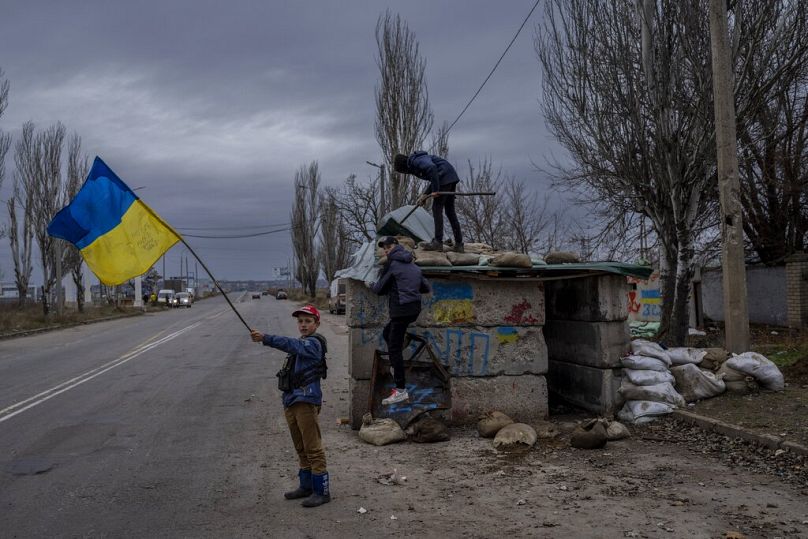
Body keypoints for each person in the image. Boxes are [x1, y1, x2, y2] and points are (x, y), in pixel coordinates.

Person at [250, 305, 331, 508]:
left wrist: (266, 338)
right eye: (300, 321)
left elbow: (290, 344)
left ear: (317, 324)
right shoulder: (303, 342)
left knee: (313, 448)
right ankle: (306, 486)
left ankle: (322, 491)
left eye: (308, 321)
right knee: (300, 447)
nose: (303, 325)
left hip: (306, 401)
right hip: (292, 401)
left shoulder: (313, 344)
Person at [370, 236, 431, 405]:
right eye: (384, 247)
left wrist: (370, 285)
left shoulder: (392, 263)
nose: (386, 249)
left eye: (388, 246)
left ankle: (401, 390)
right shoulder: (413, 265)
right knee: (387, 332)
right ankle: (396, 367)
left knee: (394, 348)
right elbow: (425, 287)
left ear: (396, 246)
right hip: (413, 309)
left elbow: (380, 288)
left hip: (401, 311)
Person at [393, 151, 464, 253]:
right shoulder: (417, 160)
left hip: (445, 177)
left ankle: (438, 242)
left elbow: (432, 168)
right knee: (450, 211)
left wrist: (435, 190)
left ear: (404, 167)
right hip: (449, 176)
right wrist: (425, 195)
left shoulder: (416, 161)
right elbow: (435, 176)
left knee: (436, 208)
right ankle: (459, 244)